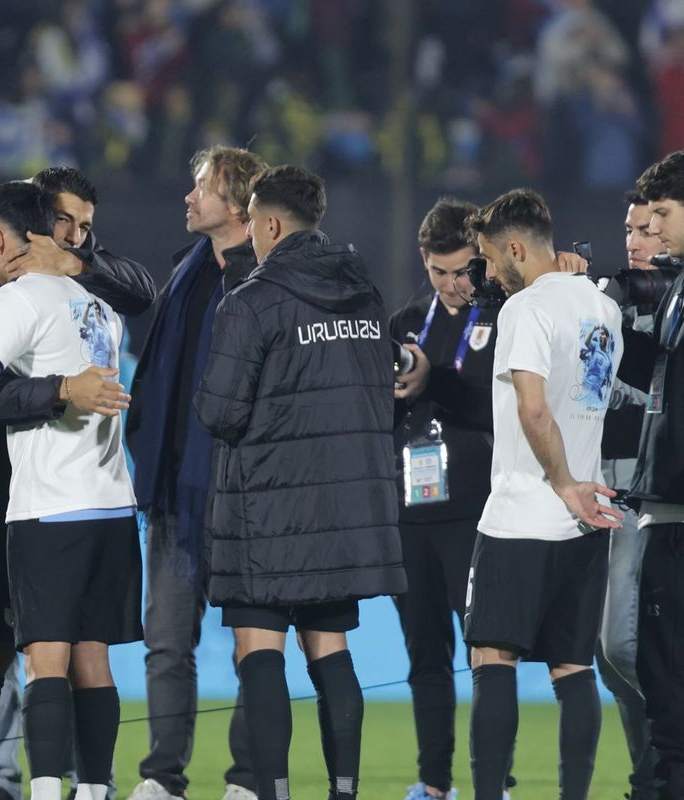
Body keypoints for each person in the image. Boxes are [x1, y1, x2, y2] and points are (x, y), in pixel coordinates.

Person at [0, 167, 153, 800]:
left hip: (43, 505)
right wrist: (60, 387)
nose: (73, 239)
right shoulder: (91, 306)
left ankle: (3, 783)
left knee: (42, 657)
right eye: (62, 225)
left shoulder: (46, 291)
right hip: (29, 495)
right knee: (12, 646)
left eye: (83, 230)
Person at [195, 164, 405, 800]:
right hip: (343, 509)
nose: (251, 237)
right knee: (330, 651)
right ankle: (344, 791)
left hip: (266, 509)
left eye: (255, 224)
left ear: (272, 223)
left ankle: (274, 792)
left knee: (259, 653)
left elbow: (219, 412)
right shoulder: (366, 299)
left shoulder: (251, 302)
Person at [463, 189, 624, 800]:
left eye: (488, 257)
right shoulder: (600, 308)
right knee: (573, 668)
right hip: (585, 525)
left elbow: (534, 410)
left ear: (514, 248)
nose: (488, 272)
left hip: (524, 514)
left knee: (492, 659)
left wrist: (559, 483)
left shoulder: (525, 310)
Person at [125, 146, 266, 800]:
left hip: (241, 496)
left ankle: (247, 779)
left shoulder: (268, 279)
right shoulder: (184, 271)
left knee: (252, 645)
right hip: (175, 492)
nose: (188, 199)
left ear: (236, 205)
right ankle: (162, 778)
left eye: (201, 189)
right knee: (167, 644)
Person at [388, 198, 498, 800]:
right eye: (439, 271)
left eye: (463, 270)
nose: (454, 285)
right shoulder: (406, 319)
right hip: (412, 513)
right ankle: (434, 784)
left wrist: (437, 380)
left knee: (486, 654)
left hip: (477, 512)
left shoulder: (503, 317)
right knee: (425, 656)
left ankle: (492, 781)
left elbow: (496, 409)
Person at [594, 191, 663, 800]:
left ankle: (666, 758)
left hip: (651, 493)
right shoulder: (614, 302)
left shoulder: (670, 306)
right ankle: (651, 774)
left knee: (623, 643)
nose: (634, 241)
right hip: (604, 482)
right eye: (630, 229)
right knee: (606, 655)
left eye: (647, 228)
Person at [625, 149, 684, 799]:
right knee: (656, 668)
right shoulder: (675, 291)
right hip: (665, 505)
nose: (652, 229)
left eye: (663, 215)